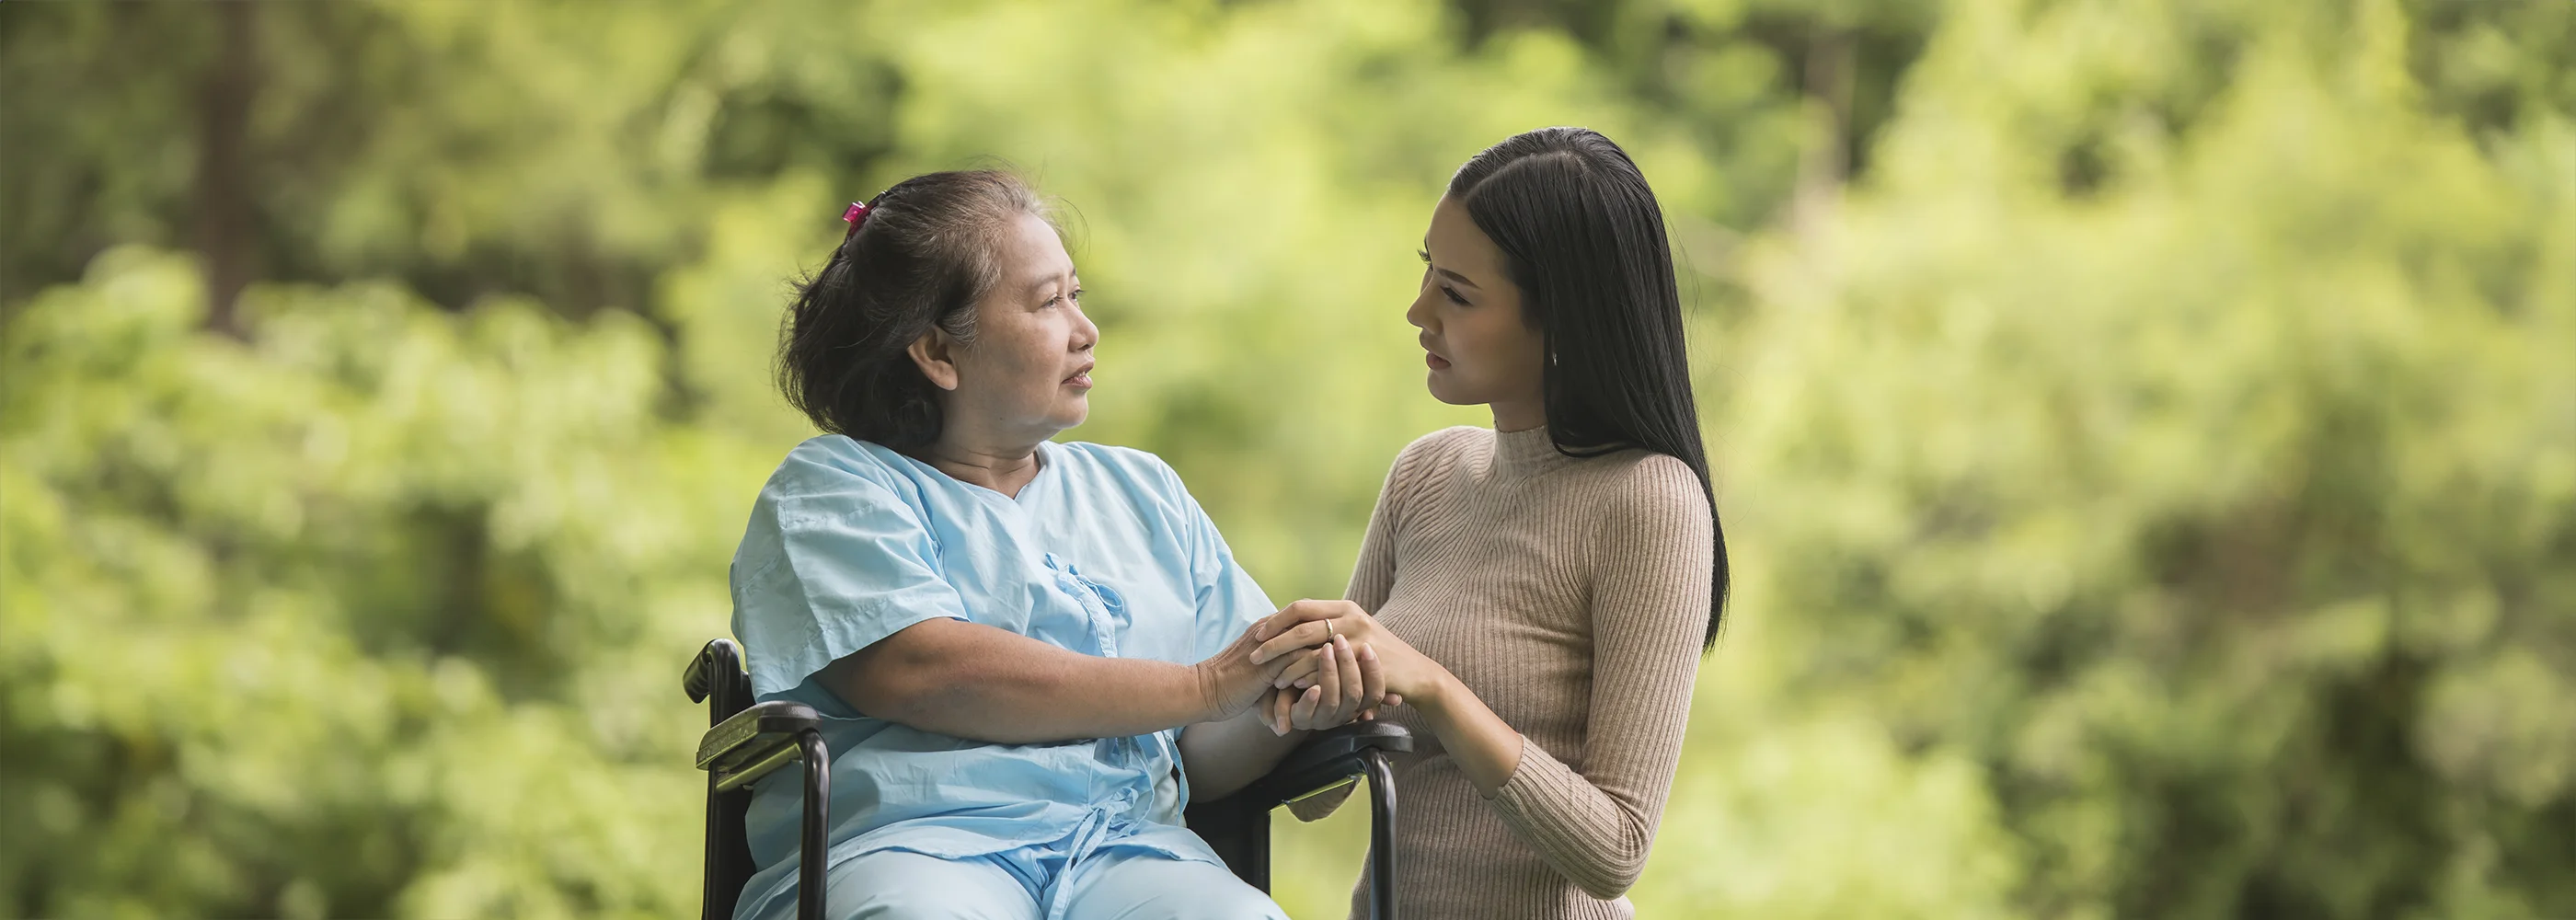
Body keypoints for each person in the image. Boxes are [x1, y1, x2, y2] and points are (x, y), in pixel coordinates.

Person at [726, 170, 1365, 920]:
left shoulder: (1143, 491)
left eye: (1077, 294)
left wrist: (1287, 711)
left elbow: (1202, 751)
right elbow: (922, 670)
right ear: (937, 352)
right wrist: (1209, 685)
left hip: (1125, 851)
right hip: (911, 848)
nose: (1085, 330)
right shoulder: (837, 488)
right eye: (1047, 302)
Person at [1252, 126, 1728, 919]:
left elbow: (1615, 850)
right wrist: (1310, 689)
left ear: (1562, 322)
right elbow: (1315, 799)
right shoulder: (1427, 473)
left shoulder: (1650, 502)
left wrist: (1437, 690)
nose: (1418, 311)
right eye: (1426, 274)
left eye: (1459, 294)